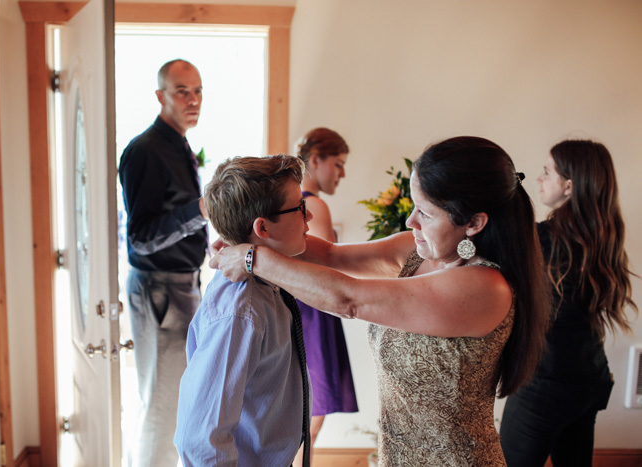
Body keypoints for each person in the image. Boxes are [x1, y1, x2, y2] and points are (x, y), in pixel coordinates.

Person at [211, 136, 551, 465]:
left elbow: (349, 300)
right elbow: (330, 255)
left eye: (426, 213)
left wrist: (254, 259)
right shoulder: (416, 253)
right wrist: (248, 239)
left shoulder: (485, 288)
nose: (411, 220)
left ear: (474, 223)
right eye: (413, 205)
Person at [499, 139, 638, 466]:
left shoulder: (542, 240)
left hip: (545, 382)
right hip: (589, 378)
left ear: (569, 186)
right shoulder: (602, 238)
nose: (539, 179)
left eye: (547, 172)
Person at [174, 155, 312, 466]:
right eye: (300, 207)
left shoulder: (267, 285)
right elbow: (201, 440)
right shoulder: (241, 311)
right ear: (262, 227)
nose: (310, 215)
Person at [118, 59, 208, 467]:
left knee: (176, 401)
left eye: (198, 90)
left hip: (183, 286)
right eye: (182, 91)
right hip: (160, 291)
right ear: (160, 96)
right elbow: (141, 237)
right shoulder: (145, 151)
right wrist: (201, 209)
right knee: (162, 404)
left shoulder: (179, 145)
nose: (193, 100)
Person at [292, 128, 358, 467]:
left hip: (306, 311)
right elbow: (325, 267)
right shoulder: (315, 203)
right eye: (339, 163)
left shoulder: (299, 201)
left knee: (308, 417)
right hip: (314, 315)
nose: (342, 173)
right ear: (315, 161)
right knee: (310, 421)